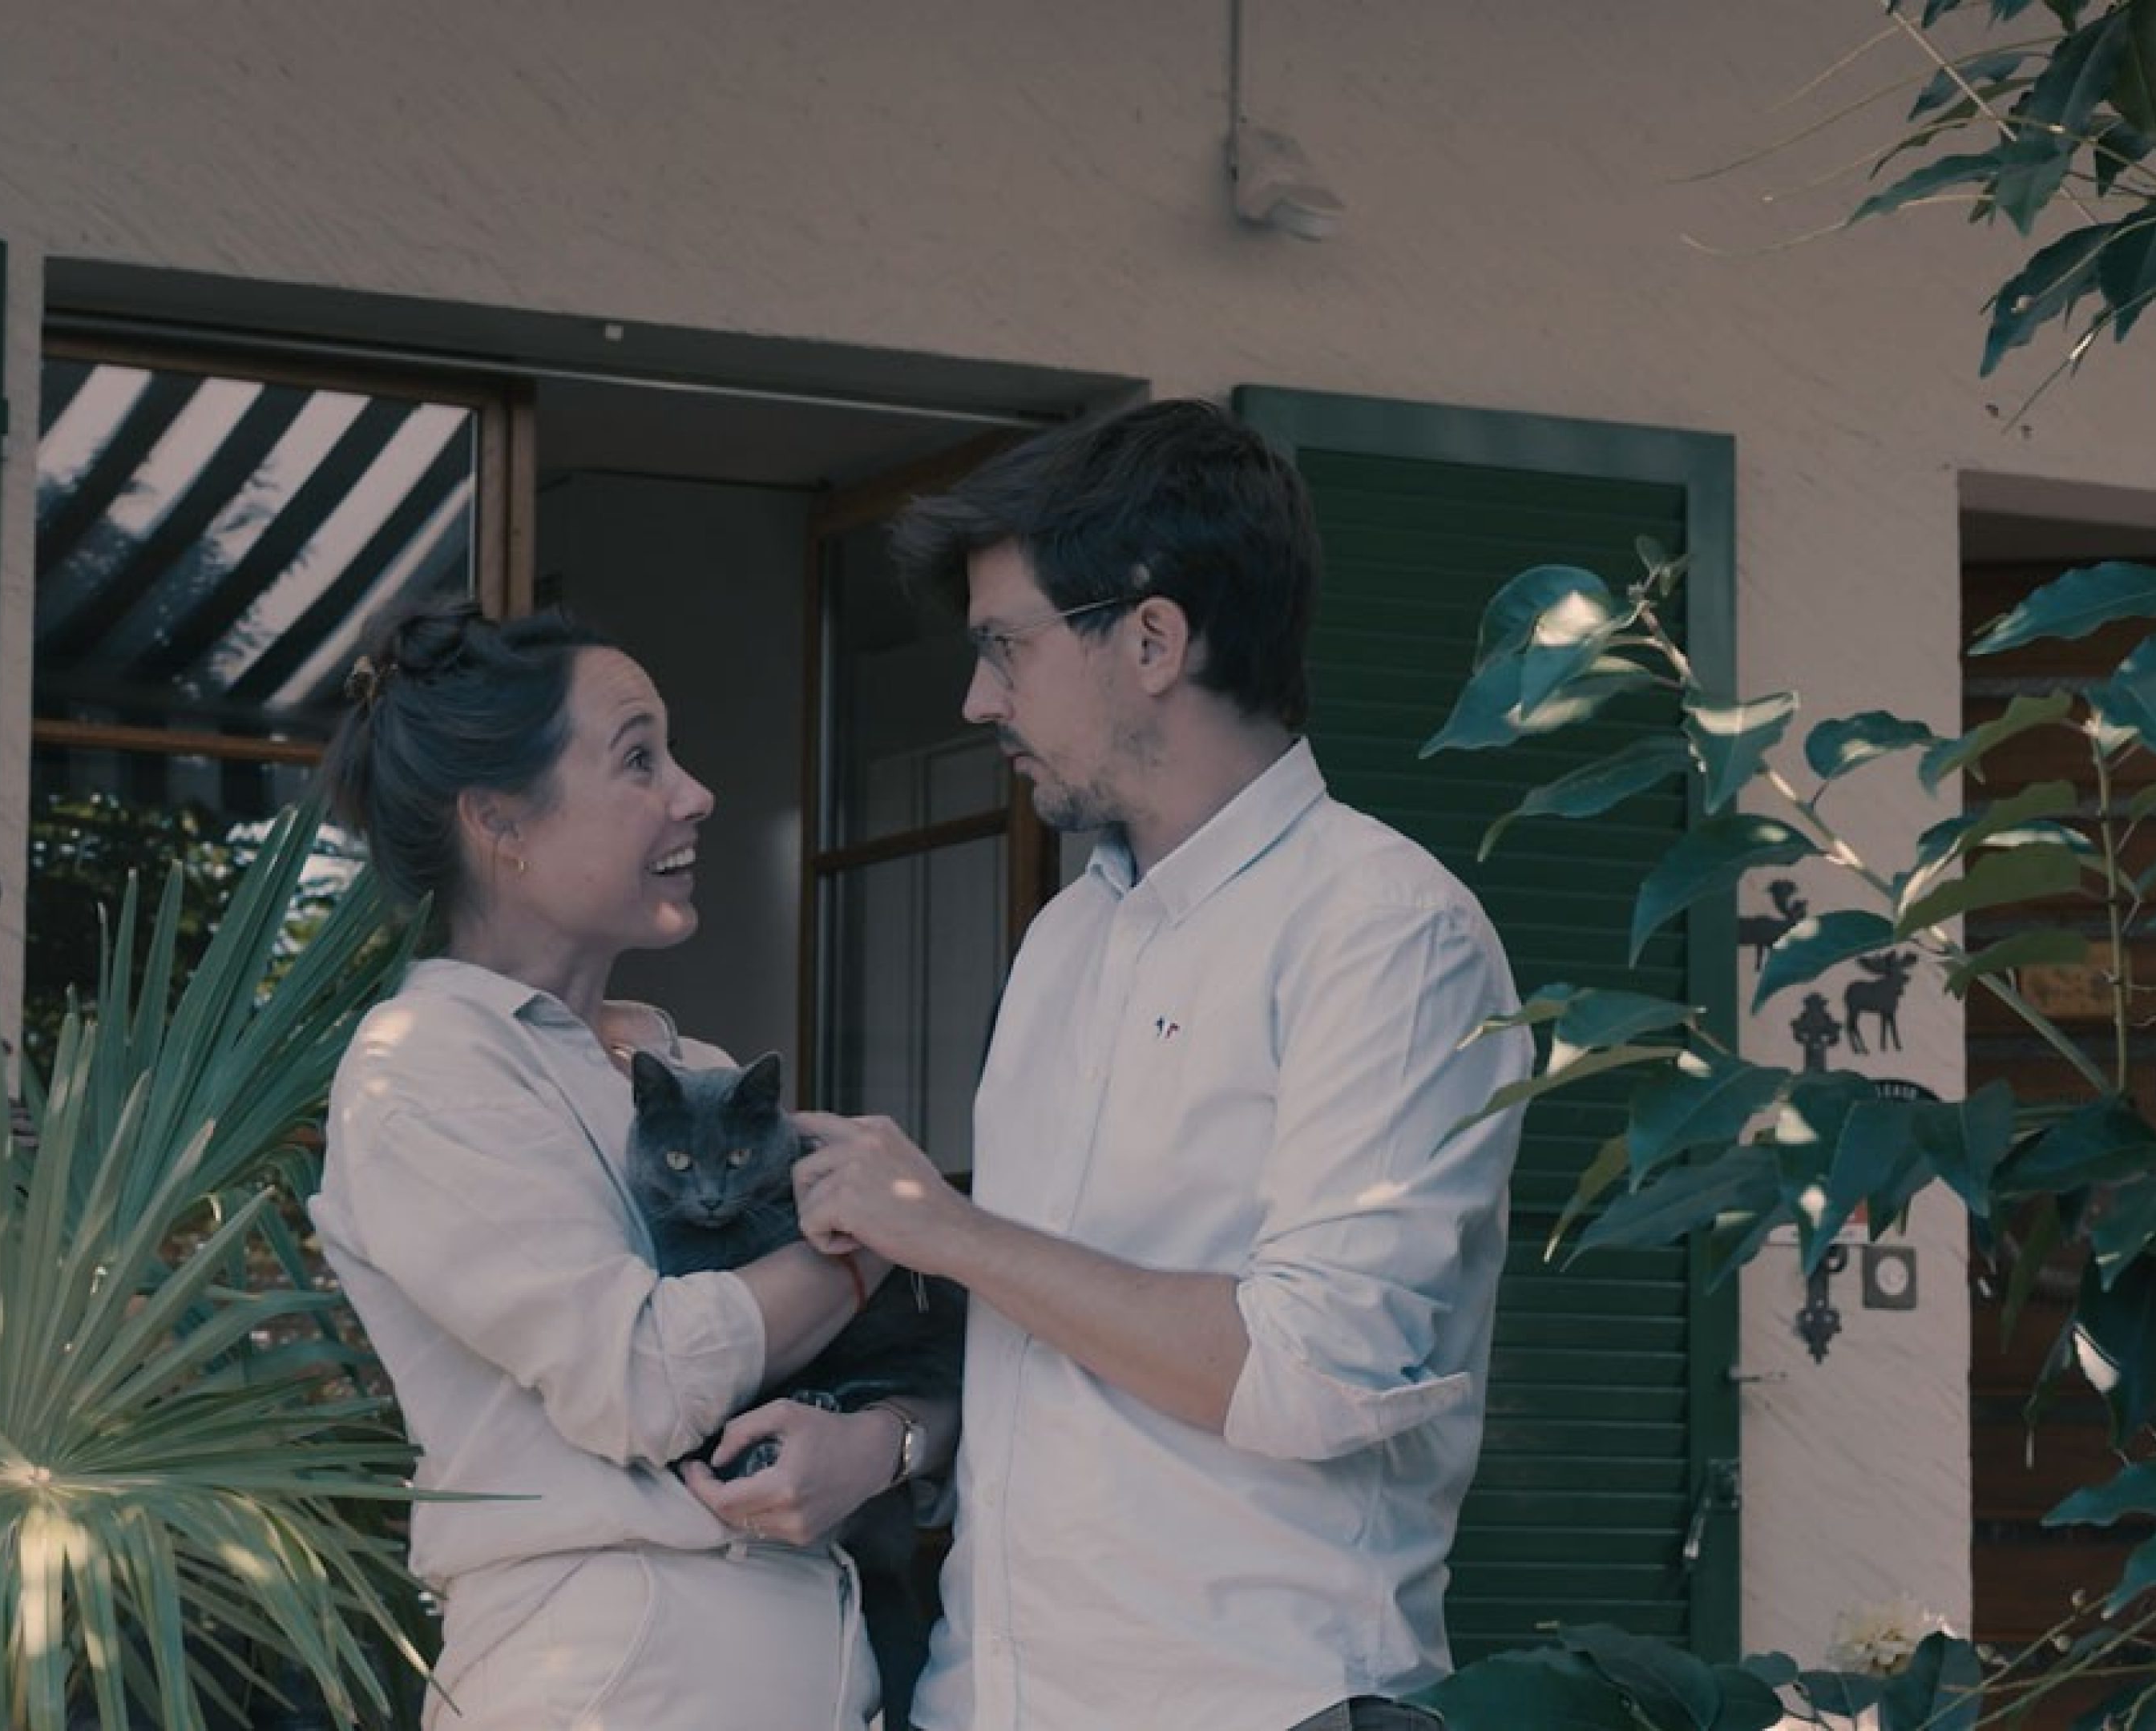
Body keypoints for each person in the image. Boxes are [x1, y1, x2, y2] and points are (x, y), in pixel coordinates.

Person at [789, 401, 1531, 1731]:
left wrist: (945, 1231)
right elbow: (1053, 1346)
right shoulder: (1067, 937)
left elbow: (1311, 1372)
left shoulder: (1386, 932)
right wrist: (896, 1438)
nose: (978, 701)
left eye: (1005, 647)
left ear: (1151, 639)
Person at [310, 599, 953, 1730]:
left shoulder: (688, 1071)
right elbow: (644, 1379)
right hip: (605, 1692)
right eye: (639, 757)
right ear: (500, 819)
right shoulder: (424, 1069)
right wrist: (873, 1241)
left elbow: (923, 1358)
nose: (695, 793)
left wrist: (879, 1444)